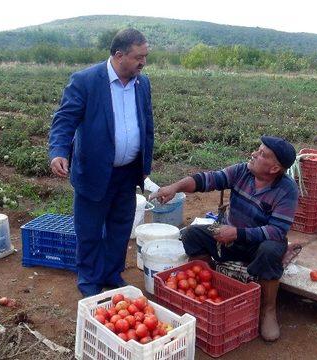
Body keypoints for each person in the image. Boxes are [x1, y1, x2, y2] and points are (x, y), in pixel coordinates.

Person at [150, 136, 298, 342]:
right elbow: (206, 180)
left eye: (262, 154)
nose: (254, 154)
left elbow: (277, 230)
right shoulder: (242, 171)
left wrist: (237, 233)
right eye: (258, 149)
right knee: (192, 235)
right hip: (230, 237)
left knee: (271, 250)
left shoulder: (287, 190)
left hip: (257, 243)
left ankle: (267, 309)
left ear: (274, 169)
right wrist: (175, 187)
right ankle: (209, 287)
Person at [48, 28, 154, 297]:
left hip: (128, 172)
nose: (143, 62)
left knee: (120, 227)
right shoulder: (86, 81)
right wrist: (59, 151)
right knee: (90, 229)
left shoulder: (143, 83)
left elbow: (146, 123)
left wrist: (143, 164)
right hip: (95, 171)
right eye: (138, 57)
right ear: (119, 55)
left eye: (145, 56)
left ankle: (111, 273)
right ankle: (89, 281)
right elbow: (65, 119)